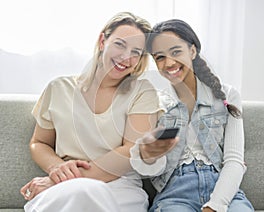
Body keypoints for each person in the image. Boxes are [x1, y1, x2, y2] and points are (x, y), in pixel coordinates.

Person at [19, 12, 163, 212]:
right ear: (103, 40)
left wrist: (61, 182)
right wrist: (56, 169)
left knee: (86, 194)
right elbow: (39, 142)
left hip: (119, 187)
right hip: (65, 184)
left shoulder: (142, 92)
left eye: (135, 52)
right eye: (120, 44)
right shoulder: (59, 88)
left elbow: (130, 152)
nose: (125, 57)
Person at [130, 19, 254, 212]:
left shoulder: (228, 95)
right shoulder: (155, 103)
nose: (169, 63)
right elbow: (150, 170)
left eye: (176, 52)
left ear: (193, 50)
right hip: (175, 194)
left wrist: (216, 205)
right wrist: (148, 155)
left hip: (223, 190)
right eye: (160, 57)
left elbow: (234, 160)